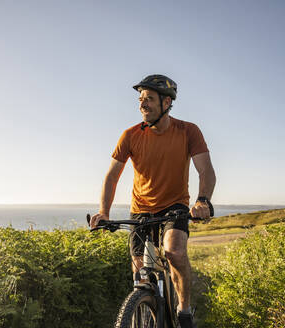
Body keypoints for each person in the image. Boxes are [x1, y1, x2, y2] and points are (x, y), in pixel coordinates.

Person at [90, 74, 216, 328]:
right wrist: (103, 211)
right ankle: (143, 309)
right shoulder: (130, 135)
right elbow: (112, 176)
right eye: (140, 99)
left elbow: (206, 170)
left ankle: (184, 310)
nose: (142, 104)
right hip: (141, 210)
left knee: (174, 251)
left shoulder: (188, 131)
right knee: (140, 273)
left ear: (167, 103)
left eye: (149, 99)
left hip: (175, 206)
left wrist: (203, 201)